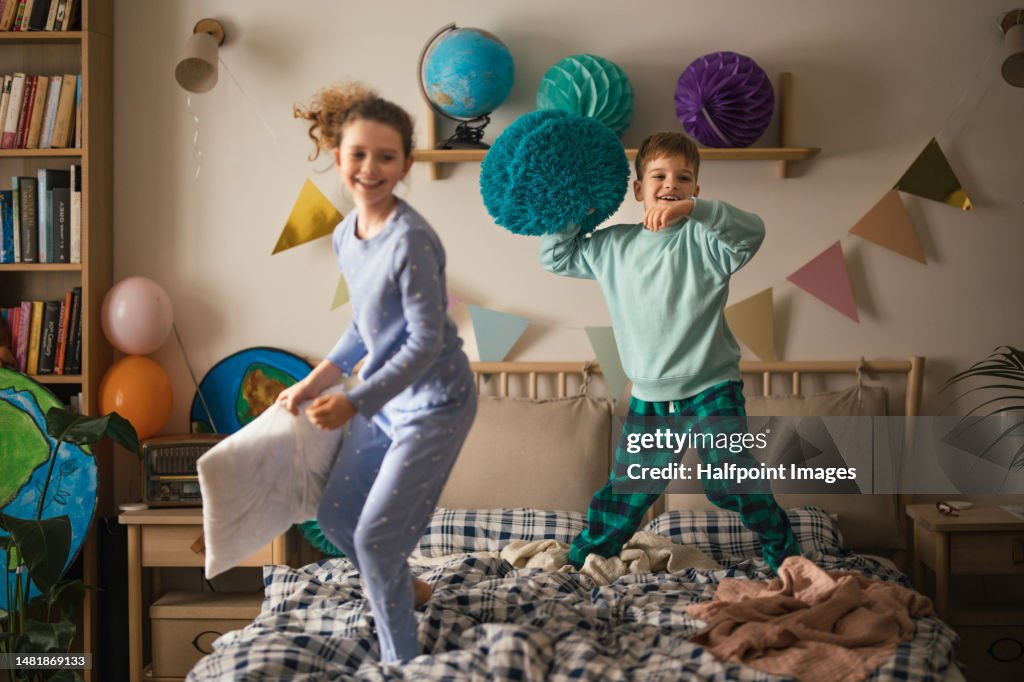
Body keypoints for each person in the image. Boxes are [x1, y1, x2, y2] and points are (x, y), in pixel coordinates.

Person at [278, 83, 477, 663]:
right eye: (358, 154)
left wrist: (354, 400)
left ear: (406, 166)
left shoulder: (411, 241)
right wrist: (315, 383)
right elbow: (367, 329)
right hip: (384, 398)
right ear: (338, 157)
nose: (370, 168)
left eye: (385, 156)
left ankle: (401, 665)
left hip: (435, 404)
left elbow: (426, 339)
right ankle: (407, 586)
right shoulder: (345, 235)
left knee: (375, 539)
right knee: (336, 516)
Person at [540, 131, 800, 573]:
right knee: (630, 491)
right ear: (639, 189)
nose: (670, 184)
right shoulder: (613, 246)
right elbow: (557, 258)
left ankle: (782, 545)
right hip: (650, 396)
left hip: (711, 385)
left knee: (728, 478)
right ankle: (586, 555)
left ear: (696, 190)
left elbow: (752, 231)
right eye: (658, 175)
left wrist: (695, 213)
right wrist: (576, 214)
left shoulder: (709, 244)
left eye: (684, 177)